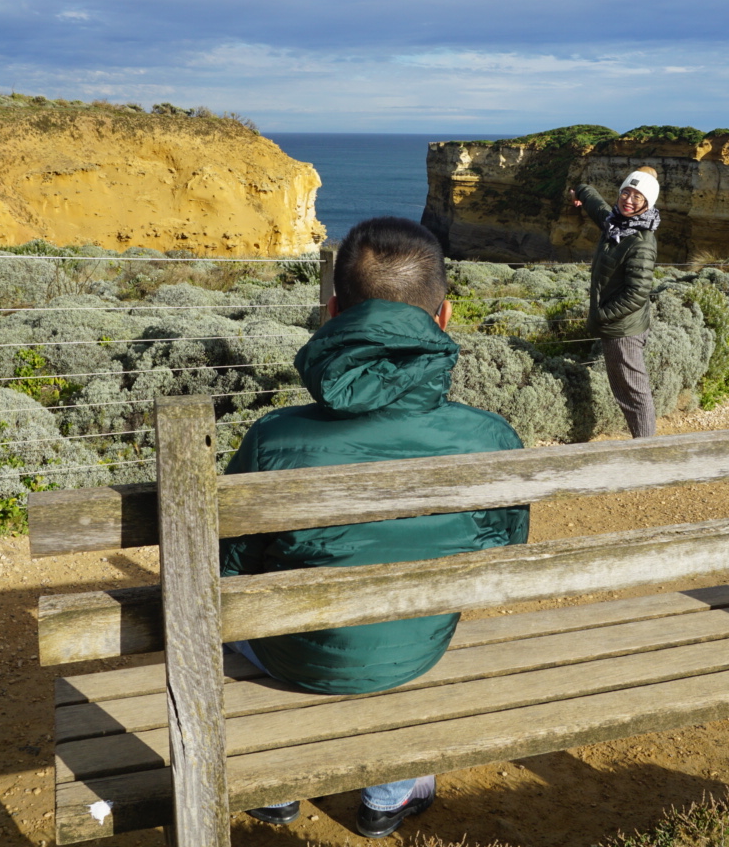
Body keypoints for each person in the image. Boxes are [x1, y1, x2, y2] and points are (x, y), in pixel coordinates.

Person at [219, 216, 529, 838]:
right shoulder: (491, 439)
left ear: (333, 311)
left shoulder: (275, 437)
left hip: (291, 655)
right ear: (442, 318)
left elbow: (228, 568)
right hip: (417, 648)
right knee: (402, 619)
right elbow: (505, 550)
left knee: (246, 621)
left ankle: (277, 785)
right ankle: (389, 797)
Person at [570, 168, 660, 438]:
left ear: (647, 204)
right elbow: (597, 205)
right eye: (626, 192)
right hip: (621, 325)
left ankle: (645, 451)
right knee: (626, 388)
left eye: (637, 197)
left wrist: (601, 316)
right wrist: (580, 192)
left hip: (623, 330)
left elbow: (637, 293)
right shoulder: (615, 223)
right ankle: (642, 444)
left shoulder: (641, 242)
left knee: (633, 393)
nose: (629, 200)